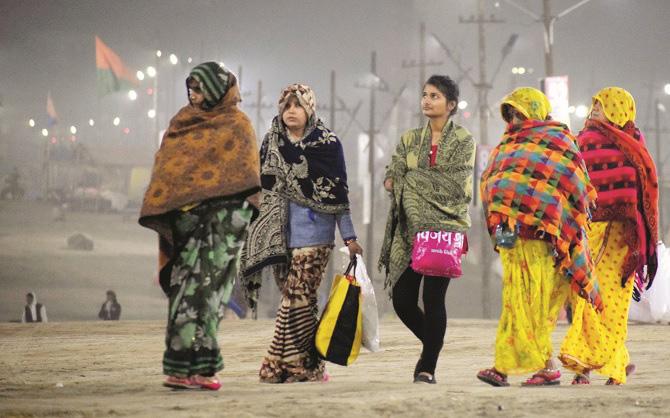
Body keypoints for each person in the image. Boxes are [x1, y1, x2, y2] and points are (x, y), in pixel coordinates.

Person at [139, 62, 261, 391]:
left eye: (200, 88)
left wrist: (230, 213)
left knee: (212, 295)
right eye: (191, 88)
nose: (193, 94)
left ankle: (204, 369)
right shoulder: (181, 123)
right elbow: (167, 169)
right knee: (185, 292)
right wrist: (185, 209)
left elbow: (249, 179)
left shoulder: (239, 125)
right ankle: (179, 368)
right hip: (187, 224)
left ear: (218, 90)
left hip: (224, 227)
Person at [477, 87, 601, 387]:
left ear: (535, 110)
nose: (516, 118)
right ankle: (544, 366)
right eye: (511, 114)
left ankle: (505, 367)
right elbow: (491, 179)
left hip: (546, 238)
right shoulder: (507, 142)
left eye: (520, 112)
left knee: (532, 302)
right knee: (516, 301)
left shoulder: (558, 140)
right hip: (512, 237)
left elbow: (574, 185)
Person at [241, 83, 363, 383]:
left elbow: (338, 194)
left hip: (316, 237)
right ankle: (311, 367)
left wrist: (348, 237)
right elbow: (262, 189)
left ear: (309, 109)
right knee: (302, 303)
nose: (290, 111)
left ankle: (278, 363)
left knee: (293, 299)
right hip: (280, 240)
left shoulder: (328, 145)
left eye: (297, 105)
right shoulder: (272, 143)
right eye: (286, 106)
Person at [379, 75, 475, 384]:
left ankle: (427, 366)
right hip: (409, 230)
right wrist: (397, 180)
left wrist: (411, 180)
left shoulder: (463, 140)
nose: (426, 100)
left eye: (434, 96)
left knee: (434, 300)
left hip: (445, 230)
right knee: (402, 300)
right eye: (424, 94)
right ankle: (434, 342)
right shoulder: (409, 139)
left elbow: (456, 185)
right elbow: (393, 176)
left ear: (450, 105)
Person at [560, 87, 659, 385]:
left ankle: (606, 364)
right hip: (590, 231)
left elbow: (646, 192)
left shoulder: (636, 144)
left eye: (601, 105)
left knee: (615, 302)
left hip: (624, 238)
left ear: (619, 109)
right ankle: (591, 364)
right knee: (585, 295)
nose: (595, 110)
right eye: (594, 105)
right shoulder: (584, 140)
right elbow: (571, 180)